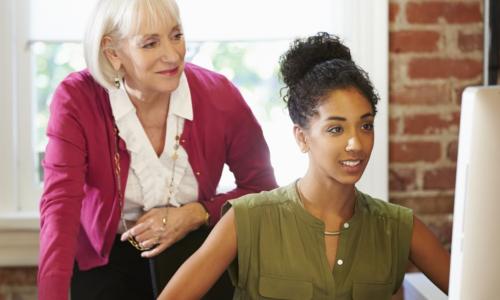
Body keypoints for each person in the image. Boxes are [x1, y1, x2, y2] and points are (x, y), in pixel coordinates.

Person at [158, 32, 451, 300]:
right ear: (302, 137)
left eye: (365, 125)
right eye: (336, 129)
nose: (356, 144)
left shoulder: (398, 227)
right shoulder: (247, 220)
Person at [37, 0, 277, 299]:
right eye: (150, 43)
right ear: (113, 52)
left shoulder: (220, 95)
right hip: (105, 259)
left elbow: (263, 191)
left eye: (176, 36)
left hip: (195, 249)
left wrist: (198, 213)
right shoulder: (76, 99)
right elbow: (60, 209)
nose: (172, 54)